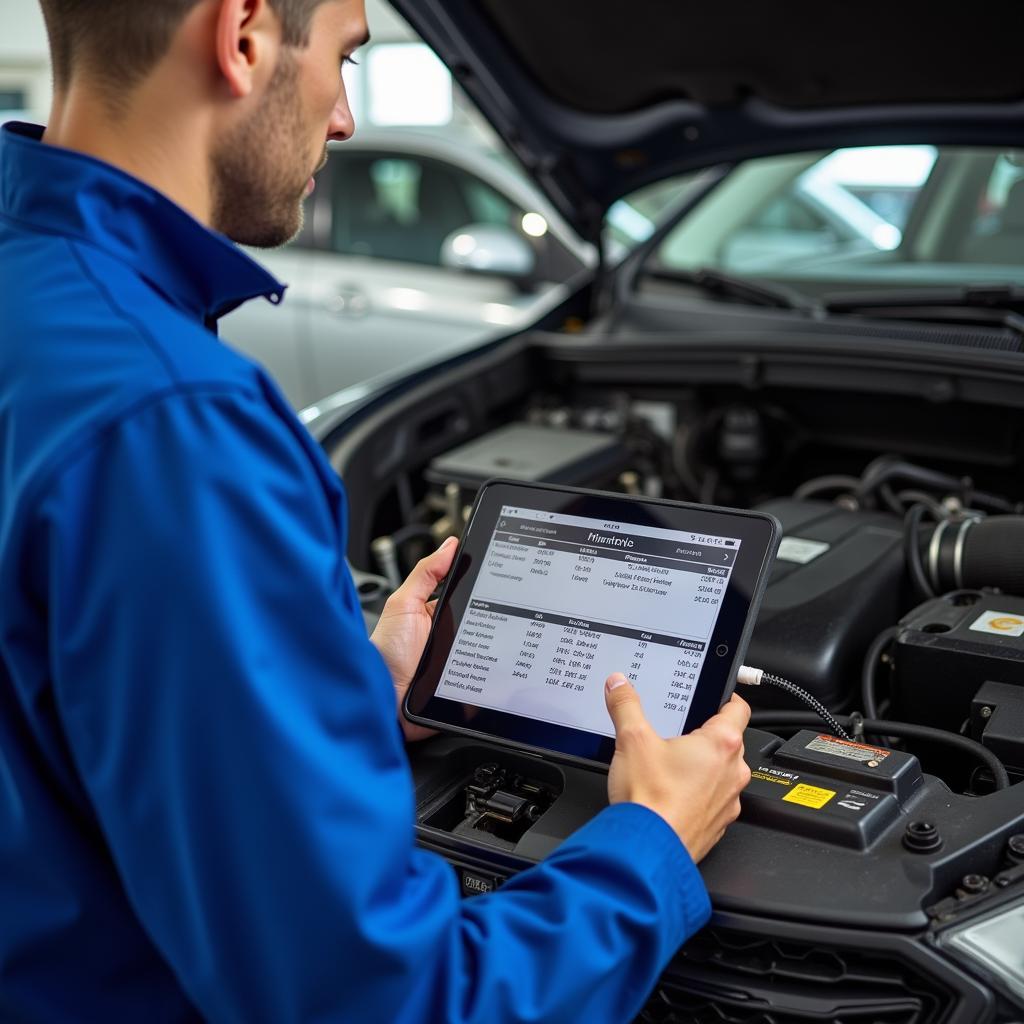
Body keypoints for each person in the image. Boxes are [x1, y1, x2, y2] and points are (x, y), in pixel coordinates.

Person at [0, 0, 752, 1020]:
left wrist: (345, 688)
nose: (345, 118)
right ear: (245, 34)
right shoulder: (178, 425)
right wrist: (650, 844)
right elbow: (374, 1000)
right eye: (345, 59)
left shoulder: (35, 297)